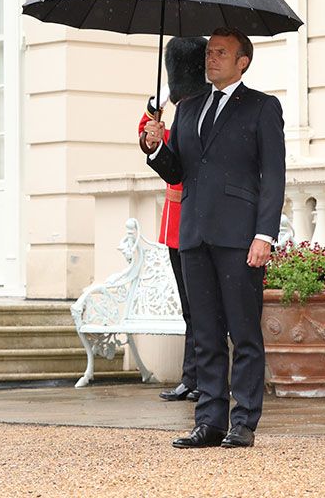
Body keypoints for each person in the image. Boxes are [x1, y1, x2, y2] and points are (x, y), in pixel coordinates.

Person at [144, 27, 286, 450]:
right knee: (204, 332)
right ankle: (208, 419)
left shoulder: (262, 107)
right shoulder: (188, 108)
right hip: (194, 235)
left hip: (240, 236)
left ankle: (243, 421)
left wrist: (265, 234)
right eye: (209, 52)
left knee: (244, 332)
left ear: (243, 61)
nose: (211, 59)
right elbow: (178, 172)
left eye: (221, 53)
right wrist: (154, 148)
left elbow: (273, 177)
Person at [138, 37, 209, 403]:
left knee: (198, 307)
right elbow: (154, 144)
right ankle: (192, 377)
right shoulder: (176, 108)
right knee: (189, 307)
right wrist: (155, 110)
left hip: (193, 220)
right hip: (175, 223)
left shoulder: (198, 109)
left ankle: (198, 377)